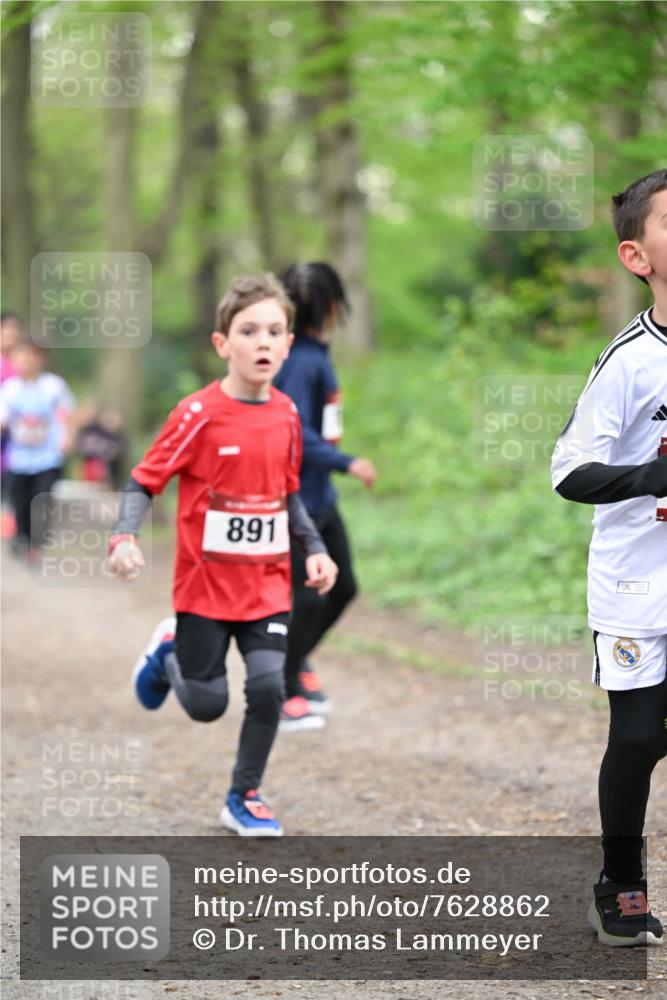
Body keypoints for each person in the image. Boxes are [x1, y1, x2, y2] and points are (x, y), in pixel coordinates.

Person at [109, 273, 338, 837]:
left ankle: (245, 795)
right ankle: (169, 654)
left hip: (265, 586)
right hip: (205, 589)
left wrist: (315, 548)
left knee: (267, 688)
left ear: (289, 344)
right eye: (249, 331)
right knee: (206, 704)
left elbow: (287, 495)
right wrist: (124, 536)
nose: (263, 342)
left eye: (275, 332)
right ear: (222, 344)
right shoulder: (198, 413)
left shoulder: (286, 413)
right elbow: (142, 482)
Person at [551, 169, 667, 947]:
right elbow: (567, 471)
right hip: (638, 581)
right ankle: (620, 888)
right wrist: (652, 475)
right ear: (636, 256)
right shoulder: (627, 361)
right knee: (637, 739)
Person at [273, 262, 377, 731]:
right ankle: (280, 685)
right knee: (312, 597)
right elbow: (293, 429)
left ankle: (296, 661)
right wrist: (347, 461)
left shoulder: (314, 353)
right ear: (333, 306)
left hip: (321, 497)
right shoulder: (300, 361)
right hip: (295, 500)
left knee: (344, 586)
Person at [0, 340, 75, 560]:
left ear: (41, 358)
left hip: (48, 457)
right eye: (20, 356)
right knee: (20, 500)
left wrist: (67, 438)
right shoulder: (10, 388)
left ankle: (37, 543)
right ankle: (22, 537)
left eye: (31, 356)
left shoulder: (54, 386)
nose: (25, 361)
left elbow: (68, 413)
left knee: (41, 500)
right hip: (18, 458)